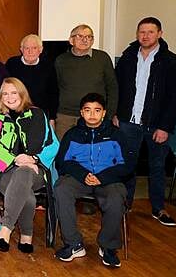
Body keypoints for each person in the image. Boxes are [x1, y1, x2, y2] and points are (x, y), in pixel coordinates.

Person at [54, 93, 133, 268]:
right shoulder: (72, 135)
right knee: (61, 188)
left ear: (104, 113)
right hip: (80, 179)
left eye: (97, 110)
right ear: (81, 113)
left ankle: (108, 247)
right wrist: (83, 175)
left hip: (108, 179)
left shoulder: (116, 135)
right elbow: (62, 162)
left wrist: (102, 177)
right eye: (87, 110)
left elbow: (127, 166)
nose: (92, 114)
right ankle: (74, 244)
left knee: (116, 195)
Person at [114, 16, 176, 226]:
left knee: (157, 167)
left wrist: (165, 127)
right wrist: (116, 113)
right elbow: (117, 88)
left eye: (150, 32)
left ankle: (158, 208)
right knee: (126, 164)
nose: (145, 36)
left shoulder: (171, 62)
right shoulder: (127, 58)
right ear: (137, 34)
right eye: (142, 32)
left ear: (159, 34)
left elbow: (175, 98)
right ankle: (126, 204)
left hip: (156, 125)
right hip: (128, 122)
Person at [0, 78, 58, 253]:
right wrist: (14, 160)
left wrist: (35, 159)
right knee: (26, 193)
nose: (9, 97)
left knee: (24, 173)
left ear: (22, 94)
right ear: (1, 97)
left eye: (14, 92)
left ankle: (6, 229)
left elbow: (53, 144)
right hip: (3, 169)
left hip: (35, 170)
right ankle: (26, 234)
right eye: (5, 93)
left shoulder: (39, 114)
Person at [54, 24, 117, 141]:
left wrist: (108, 115)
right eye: (80, 36)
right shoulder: (60, 60)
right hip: (65, 116)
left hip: (94, 116)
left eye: (89, 37)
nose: (85, 40)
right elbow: (54, 88)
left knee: (91, 151)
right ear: (71, 40)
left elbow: (112, 87)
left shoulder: (102, 58)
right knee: (64, 152)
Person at [5, 34, 58, 124]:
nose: (30, 52)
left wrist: (52, 118)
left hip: (40, 115)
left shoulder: (48, 66)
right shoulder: (12, 64)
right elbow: (4, 90)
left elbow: (53, 93)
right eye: (27, 48)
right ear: (21, 49)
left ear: (40, 50)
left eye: (34, 48)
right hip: (15, 115)